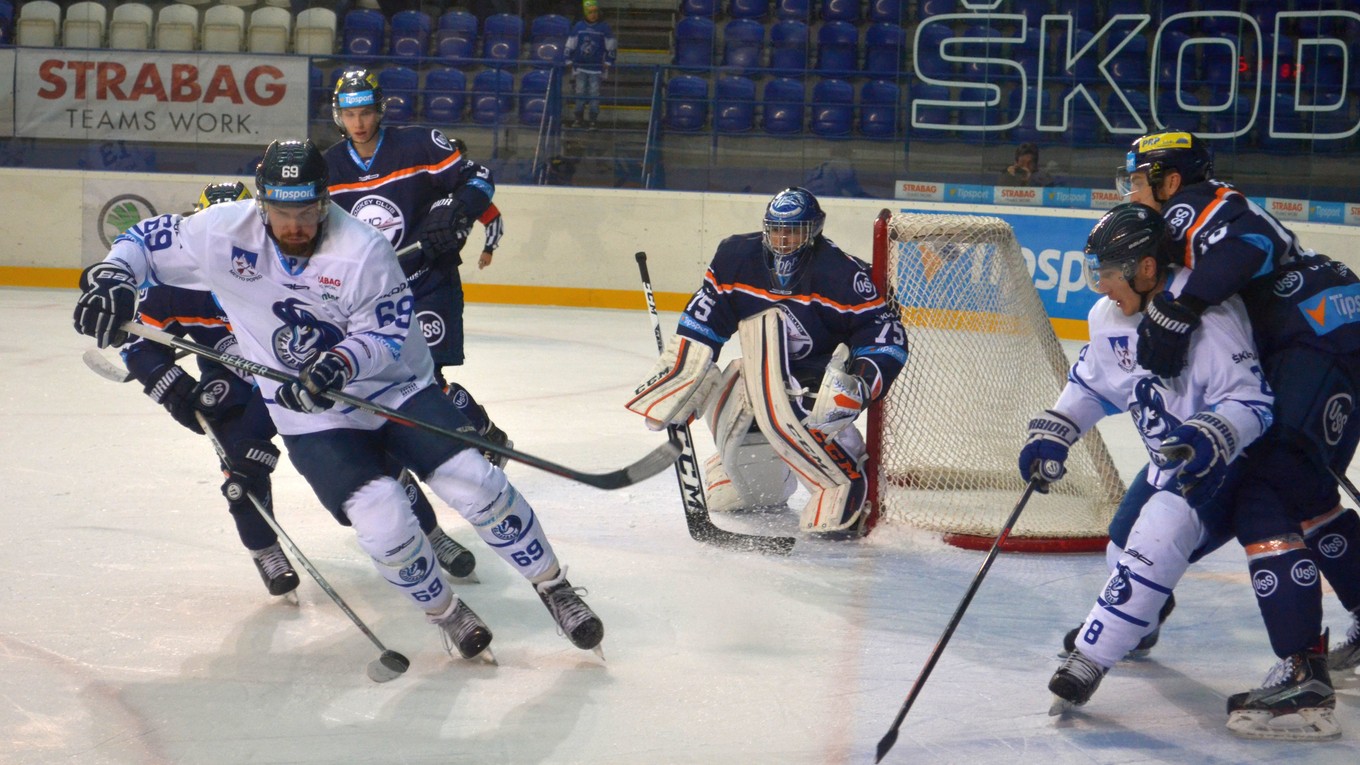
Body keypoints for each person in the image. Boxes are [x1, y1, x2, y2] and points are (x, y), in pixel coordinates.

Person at [73, 139, 605, 661]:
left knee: (473, 480)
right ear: (261, 204)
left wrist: (338, 364)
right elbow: (143, 239)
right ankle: (447, 613)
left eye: (306, 211)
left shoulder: (362, 249)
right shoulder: (222, 231)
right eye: (282, 213)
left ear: (325, 201)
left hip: (393, 388)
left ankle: (553, 586)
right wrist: (114, 277)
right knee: (381, 518)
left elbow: (385, 333)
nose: (294, 226)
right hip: (311, 416)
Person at [1121, 129, 1360, 738]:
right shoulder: (1201, 206)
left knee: (1265, 491)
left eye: (1139, 180)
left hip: (1315, 339)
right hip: (1332, 328)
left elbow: (1248, 243)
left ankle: (1304, 682)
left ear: (1171, 181)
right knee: (1308, 495)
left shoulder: (1189, 205)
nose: (1131, 191)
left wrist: (1184, 306)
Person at [1020, 204, 1278, 719]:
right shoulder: (1106, 317)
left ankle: (1090, 658)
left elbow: (1253, 401)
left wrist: (1213, 431)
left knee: (1157, 535)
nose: (1100, 286)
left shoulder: (1209, 316)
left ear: (1145, 267)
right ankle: (1142, 622)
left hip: (1225, 464)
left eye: (1108, 273)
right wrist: (1058, 430)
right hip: (1166, 464)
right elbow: (1092, 386)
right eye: (1095, 272)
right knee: (1122, 547)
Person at [624, 187, 908, 537]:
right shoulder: (736, 258)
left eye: (794, 231)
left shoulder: (843, 275)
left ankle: (844, 482)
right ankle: (747, 478)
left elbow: (884, 334)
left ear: (814, 231)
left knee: (809, 408)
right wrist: (681, 375)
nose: (783, 239)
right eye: (776, 229)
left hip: (817, 378)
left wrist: (861, 382)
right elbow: (706, 318)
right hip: (762, 366)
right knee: (732, 391)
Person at [322, 69, 511, 466]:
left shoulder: (419, 144)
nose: (358, 123)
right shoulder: (329, 168)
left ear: (379, 110)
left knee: (426, 378)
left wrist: (455, 207)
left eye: (365, 113)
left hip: (428, 280)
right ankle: (481, 435)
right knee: (394, 381)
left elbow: (479, 179)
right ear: (339, 116)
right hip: (375, 295)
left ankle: (481, 440)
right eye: (350, 114)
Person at [564, 0, 617, 130]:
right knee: (580, 92)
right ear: (585, 13)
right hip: (580, 66)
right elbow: (570, 44)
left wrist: (608, 61)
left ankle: (593, 119)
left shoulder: (604, 28)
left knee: (594, 93)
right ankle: (578, 118)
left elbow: (611, 46)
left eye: (595, 12)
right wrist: (568, 60)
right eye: (590, 12)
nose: (593, 15)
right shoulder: (578, 26)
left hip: (596, 68)